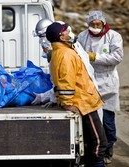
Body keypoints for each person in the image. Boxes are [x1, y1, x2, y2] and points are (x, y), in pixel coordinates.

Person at [46, 21, 107, 167]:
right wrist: (67, 103)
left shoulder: (60, 51)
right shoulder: (66, 54)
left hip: (83, 101)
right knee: (99, 144)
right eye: (67, 31)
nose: (70, 33)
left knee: (91, 142)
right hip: (84, 103)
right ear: (61, 37)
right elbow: (66, 81)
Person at [77, 10, 124, 164]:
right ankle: (93, 150)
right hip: (90, 81)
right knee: (92, 121)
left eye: (98, 24)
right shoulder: (83, 36)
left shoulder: (113, 36)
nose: (95, 26)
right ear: (88, 24)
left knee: (108, 122)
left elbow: (117, 57)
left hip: (107, 82)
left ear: (103, 23)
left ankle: (108, 149)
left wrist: (95, 57)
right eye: (92, 24)